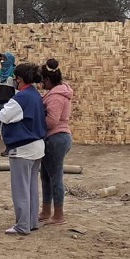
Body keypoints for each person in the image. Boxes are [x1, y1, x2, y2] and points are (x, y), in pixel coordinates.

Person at [0, 63, 46, 235]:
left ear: (20, 79)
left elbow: (2, 115)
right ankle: (31, 222)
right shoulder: (35, 95)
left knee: (20, 188)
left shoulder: (22, 97)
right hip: (37, 146)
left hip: (23, 147)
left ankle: (22, 225)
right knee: (31, 187)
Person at [39, 59, 73, 226]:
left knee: (55, 177)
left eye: (42, 80)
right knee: (46, 176)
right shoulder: (59, 93)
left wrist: (35, 124)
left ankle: (58, 214)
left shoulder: (55, 97)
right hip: (58, 137)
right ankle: (46, 211)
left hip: (56, 137)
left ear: (47, 80)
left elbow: (51, 121)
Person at [0, 52, 17, 156]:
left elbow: (16, 89)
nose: (2, 61)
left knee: (8, 127)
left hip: (9, 103)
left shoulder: (14, 73)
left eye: (4, 59)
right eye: (1, 59)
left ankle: (9, 147)